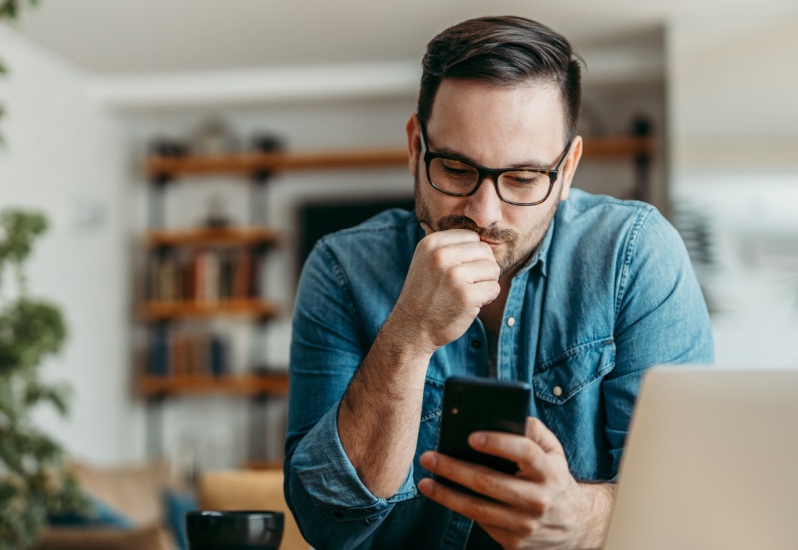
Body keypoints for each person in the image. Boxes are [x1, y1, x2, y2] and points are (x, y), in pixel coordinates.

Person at [282, 15, 714, 550]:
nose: (485, 212)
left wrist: (580, 518)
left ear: (568, 168)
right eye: (458, 170)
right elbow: (327, 522)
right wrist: (409, 336)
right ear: (416, 148)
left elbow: (688, 508)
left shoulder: (635, 256)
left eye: (523, 178)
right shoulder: (341, 270)